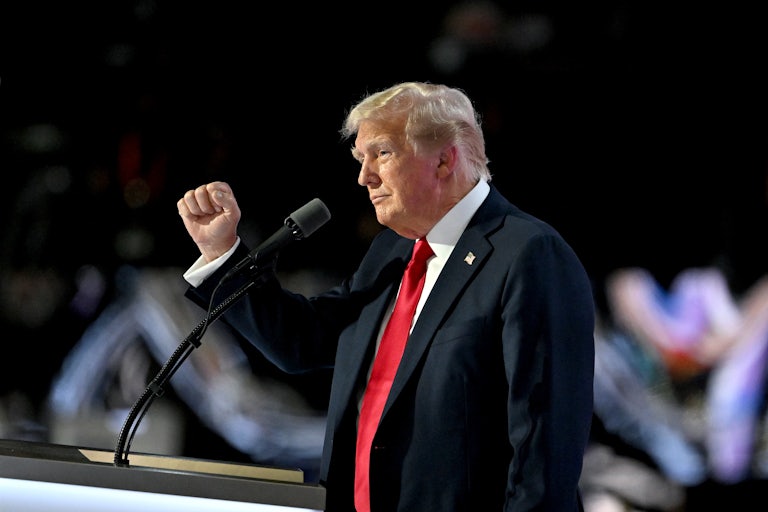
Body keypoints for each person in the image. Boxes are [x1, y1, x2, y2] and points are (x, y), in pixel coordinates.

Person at [177, 81, 595, 511]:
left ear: (444, 159)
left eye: (382, 153)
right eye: (361, 159)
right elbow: (301, 342)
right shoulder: (392, 251)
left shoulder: (528, 254)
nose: (364, 177)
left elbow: (545, 445)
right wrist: (222, 253)